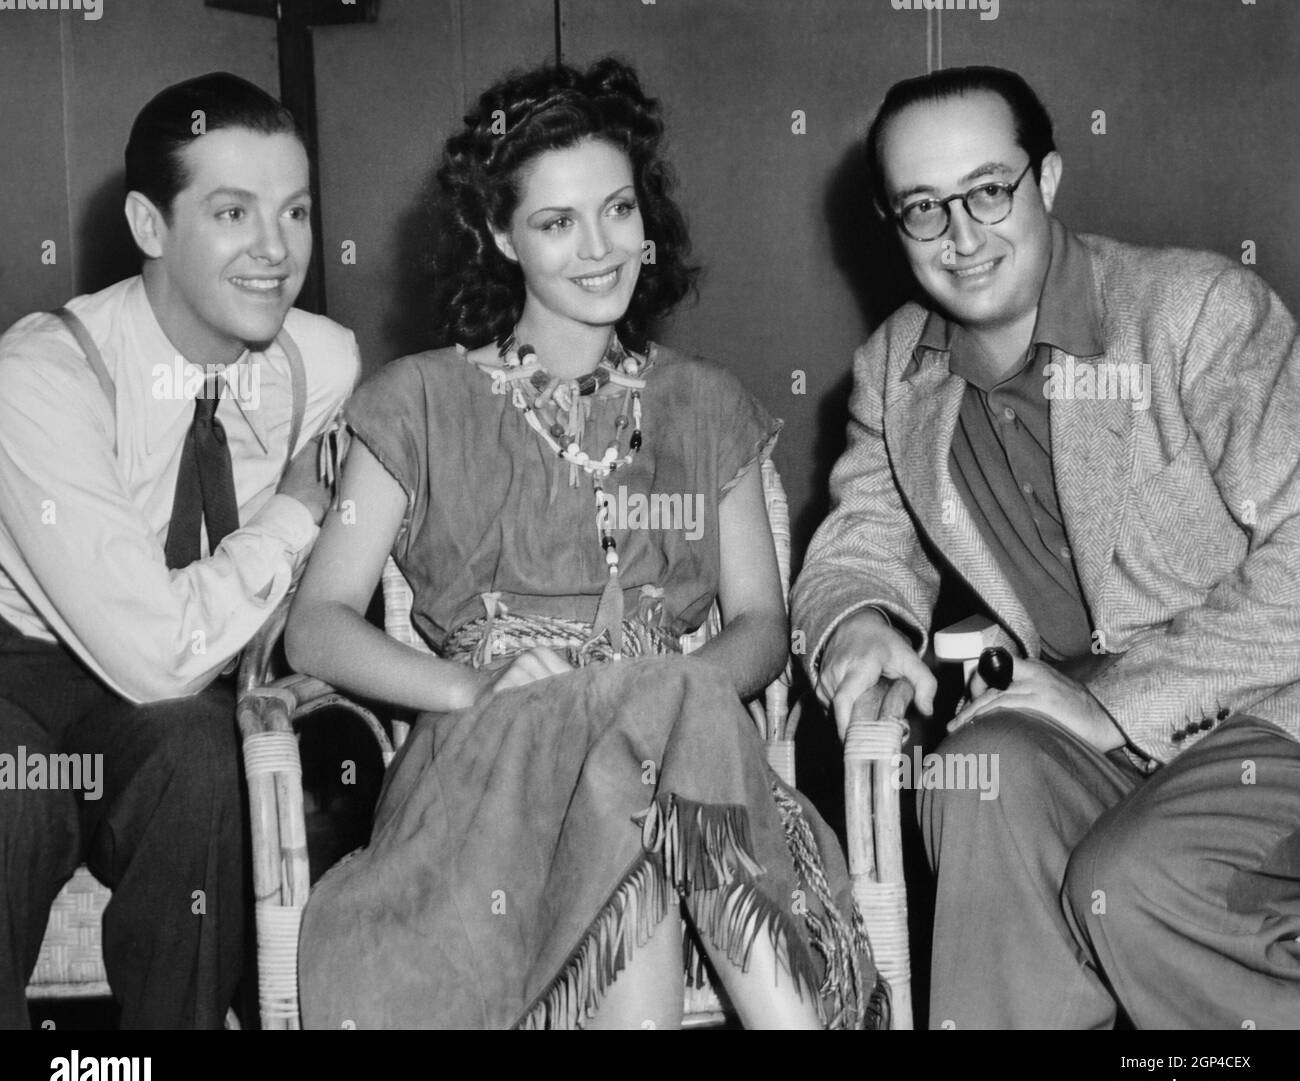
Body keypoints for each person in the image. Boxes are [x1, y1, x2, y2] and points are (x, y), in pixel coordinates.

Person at [286, 57, 882, 1030]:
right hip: (491, 763)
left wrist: (659, 688)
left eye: (616, 210)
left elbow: (764, 627)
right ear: (497, 233)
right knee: (633, 748)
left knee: (639, 739)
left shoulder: (705, 402)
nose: (599, 247)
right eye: (557, 222)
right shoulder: (417, 401)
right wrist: (467, 687)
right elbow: (316, 626)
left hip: (683, 761)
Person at [793, 65, 1300, 1029]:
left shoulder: (1196, 312)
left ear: (1049, 179)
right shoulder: (895, 368)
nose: (964, 236)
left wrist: (1112, 704)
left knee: (1140, 876)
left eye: (990, 190)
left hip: (1268, 710)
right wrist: (854, 618)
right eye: (924, 209)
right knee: (978, 777)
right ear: (891, 223)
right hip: (1078, 729)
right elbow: (859, 540)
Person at [0, 72, 359, 1029]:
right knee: (10, 801)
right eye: (232, 212)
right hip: (19, 670)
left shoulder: (322, 365)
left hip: (177, 688)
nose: (276, 252)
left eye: (296, 211)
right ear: (150, 226)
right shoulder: (39, 376)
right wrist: (290, 516)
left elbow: (178, 674)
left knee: (202, 759)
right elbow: (149, 649)